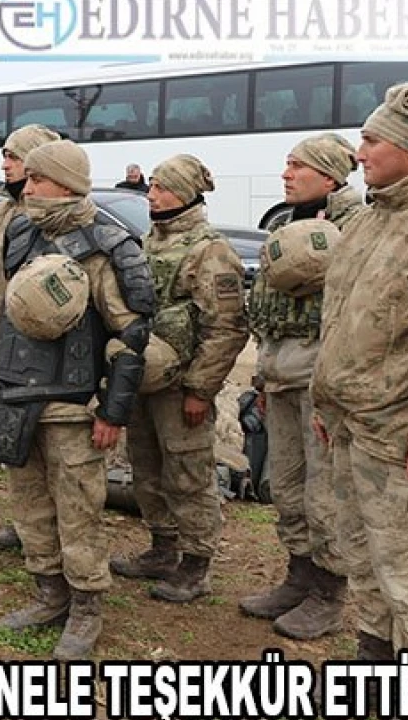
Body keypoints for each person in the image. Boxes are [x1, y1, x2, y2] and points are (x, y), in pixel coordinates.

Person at [0, 139, 154, 659]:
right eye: (29, 178)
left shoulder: (107, 246)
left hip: (73, 406)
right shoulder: (22, 234)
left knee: (78, 511)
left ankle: (85, 607)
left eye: (38, 179)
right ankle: (49, 594)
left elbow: (131, 335)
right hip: (18, 395)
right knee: (30, 508)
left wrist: (112, 411)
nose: (28, 187)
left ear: (65, 184)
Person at [311, 82, 408, 685]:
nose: (360, 153)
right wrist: (324, 401)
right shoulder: (367, 221)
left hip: (399, 435)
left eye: (373, 141)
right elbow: (339, 320)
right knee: (362, 555)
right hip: (350, 424)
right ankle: (375, 660)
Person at [240, 133, 363, 640]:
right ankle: (299, 578)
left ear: (330, 177)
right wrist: (261, 377)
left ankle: (329, 594)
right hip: (280, 375)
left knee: (324, 493)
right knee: (287, 486)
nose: (286, 174)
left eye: (298, 166)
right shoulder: (283, 226)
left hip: (322, 382)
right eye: (287, 165)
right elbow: (267, 306)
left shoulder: (356, 227)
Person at [110, 154, 248, 604]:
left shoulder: (211, 250)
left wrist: (200, 390)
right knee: (146, 465)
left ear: (186, 194)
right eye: (151, 186)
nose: (152, 195)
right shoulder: (147, 243)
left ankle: (195, 563)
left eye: (162, 188)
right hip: (145, 378)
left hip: (182, 384)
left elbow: (226, 328)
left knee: (188, 474)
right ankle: (162, 547)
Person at [0, 123, 62, 550]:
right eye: (4, 156)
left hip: (44, 351)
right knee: (13, 438)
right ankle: (28, 523)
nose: (5, 165)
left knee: (53, 446)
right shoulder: (1, 214)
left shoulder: (54, 215)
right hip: (5, 342)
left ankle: (56, 528)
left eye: (15, 157)